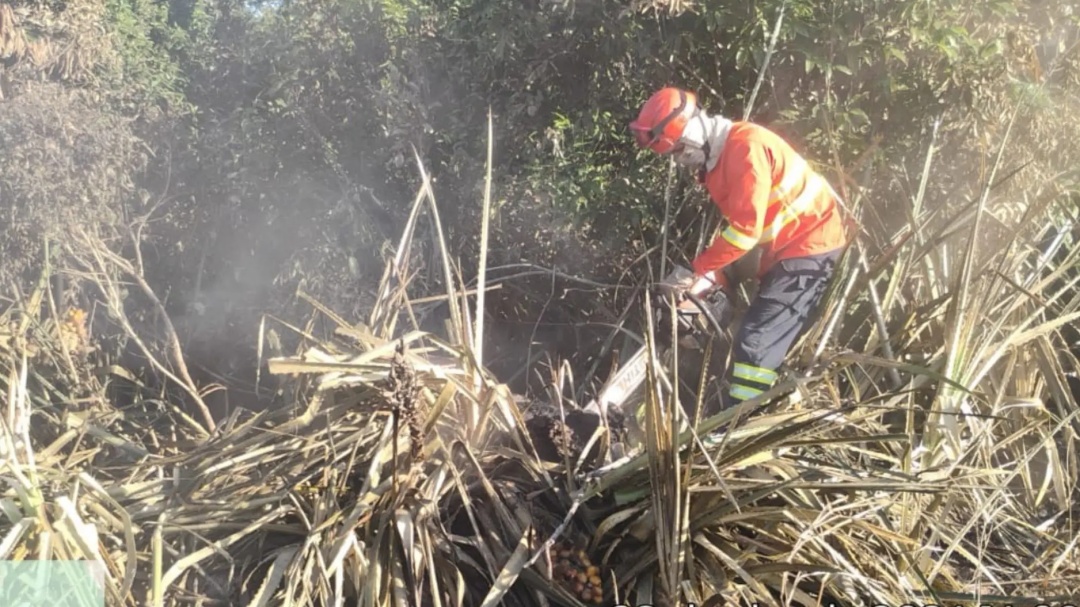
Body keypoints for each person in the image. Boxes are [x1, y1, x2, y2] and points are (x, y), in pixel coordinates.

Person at [629, 87, 849, 409]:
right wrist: (704, 282)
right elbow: (747, 232)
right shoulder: (718, 161)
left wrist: (697, 270)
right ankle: (695, 355)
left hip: (809, 247)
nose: (680, 162)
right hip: (777, 245)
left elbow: (745, 232)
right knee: (705, 290)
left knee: (755, 339)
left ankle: (741, 422)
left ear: (691, 136)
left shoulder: (746, 148)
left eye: (679, 152)